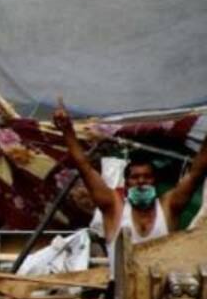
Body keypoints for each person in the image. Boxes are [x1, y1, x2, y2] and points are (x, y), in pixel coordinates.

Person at [54, 100, 207, 264]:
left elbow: (196, 173)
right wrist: (67, 130)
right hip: (120, 281)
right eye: (135, 177)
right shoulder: (113, 208)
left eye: (147, 177)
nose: (141, 181)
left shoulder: (168, 207)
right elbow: (84, 167)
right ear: (127, 184)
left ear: (154, 181)